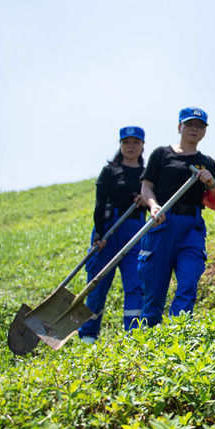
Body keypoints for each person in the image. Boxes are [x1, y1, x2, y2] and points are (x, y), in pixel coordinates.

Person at [137, 107, 215, 327]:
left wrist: (210, 182)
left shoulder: (207, 162)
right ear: (179, 127)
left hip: (191, 228)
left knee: (188, 281)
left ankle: (178, 331)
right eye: (190, 125)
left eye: (200, 126)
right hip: (162, 224)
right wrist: (154, 206)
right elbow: (146, 188)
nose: (195, 129)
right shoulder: (161, 154)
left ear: (204, 131)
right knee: (154, 290)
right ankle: (149, 337)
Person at [77, 126, 148, 343]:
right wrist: (99, 234)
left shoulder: (147, 174)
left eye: (136, 142)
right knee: (97, 282)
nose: (131, 146)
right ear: (120, 144)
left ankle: (134, 334)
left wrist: (144, 201)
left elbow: (155, 201)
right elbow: (99, 204)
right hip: (109, 230)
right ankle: (88, 335)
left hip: (135, 230)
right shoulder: (110, 171)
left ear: (143, 145)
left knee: (136, 283)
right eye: (127, 142)